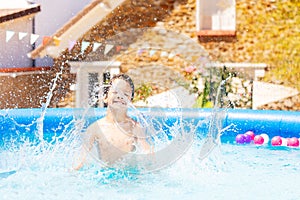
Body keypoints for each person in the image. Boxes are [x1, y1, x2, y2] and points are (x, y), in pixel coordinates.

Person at [74, 74, 151, 170]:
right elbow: (80, 162)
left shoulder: (135, 127)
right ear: (105, 97)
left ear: (130, 101)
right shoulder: (95, 128)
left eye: (125, 94)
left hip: (131, 180)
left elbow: (148, 155)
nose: (120, 96)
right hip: (107, 181)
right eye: (115, 92)